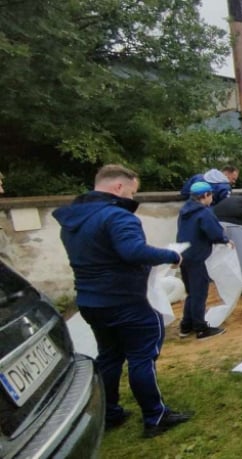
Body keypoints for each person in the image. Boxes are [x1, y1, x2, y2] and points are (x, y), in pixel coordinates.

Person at [54, 165, 192, 437]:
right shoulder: (117, 216)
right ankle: (156, 416)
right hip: (125, 301)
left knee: (109, 356)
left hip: (91, 302)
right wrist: (171, 256)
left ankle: (109, 413)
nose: (132, 197)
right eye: (132, 191)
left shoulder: (72, 220)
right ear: (118, 187)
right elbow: (133, 251)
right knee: (142, 357)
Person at [177, 181, 231, 340]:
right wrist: (225, 240)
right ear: (205, 195)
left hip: (183, 255)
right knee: (199, 292)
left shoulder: (184, 211)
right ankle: (201, 328)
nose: (212, 198)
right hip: (197, 257)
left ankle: (186, 325)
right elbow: (214, 232)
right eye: (211, 195)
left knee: (191, 293)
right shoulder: (204, 213)